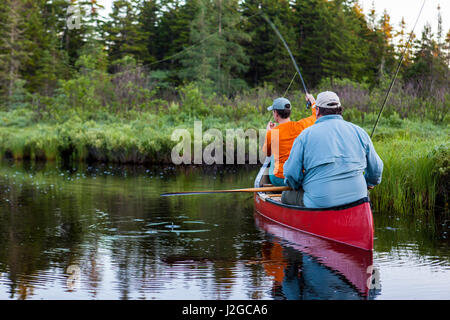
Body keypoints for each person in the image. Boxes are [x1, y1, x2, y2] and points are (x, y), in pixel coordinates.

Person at [283, 91, 383, 208]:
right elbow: (376, 170)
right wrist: (369, 182)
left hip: (320, 202)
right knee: (365, 195)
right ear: (340, 109)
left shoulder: (305, 135)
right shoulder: (359, 131)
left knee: (285, 195)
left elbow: (291, 173)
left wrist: (297, 185)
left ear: (318, 110)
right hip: (359, 199)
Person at [262, 97, 316, 186]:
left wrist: (269, 132)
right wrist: (313, 101)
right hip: (298, 177)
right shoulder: (301, 126)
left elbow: (267, 153)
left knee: (272, 158)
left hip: (279, 179)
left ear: (276, 113)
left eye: (273, 112)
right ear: (289, 112)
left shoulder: (272, 133)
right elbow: (315, 116)